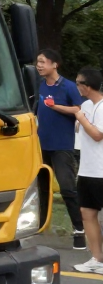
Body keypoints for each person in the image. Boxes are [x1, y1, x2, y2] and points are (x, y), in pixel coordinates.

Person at [48, 67, 103, 273]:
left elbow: (97, 135)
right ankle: (97, 259)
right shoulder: (86, 105)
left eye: (79, 83)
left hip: (101, 171)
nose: (76, 86)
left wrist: (80, 118)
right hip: (87, 171)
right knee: (87, 213)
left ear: (87, 86)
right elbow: (78, 118)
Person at [36, 47, 86, 249]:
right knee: (41, 188)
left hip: (62, 146)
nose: (39, 65)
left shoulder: (68, 87)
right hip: (41, 145)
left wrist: (55, 106)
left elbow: (80, 110)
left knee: (67, 188)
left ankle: (79, 231)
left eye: (43, 62)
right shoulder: (38, 86)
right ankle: (39, 228)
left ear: (54, 64)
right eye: (38, 62)